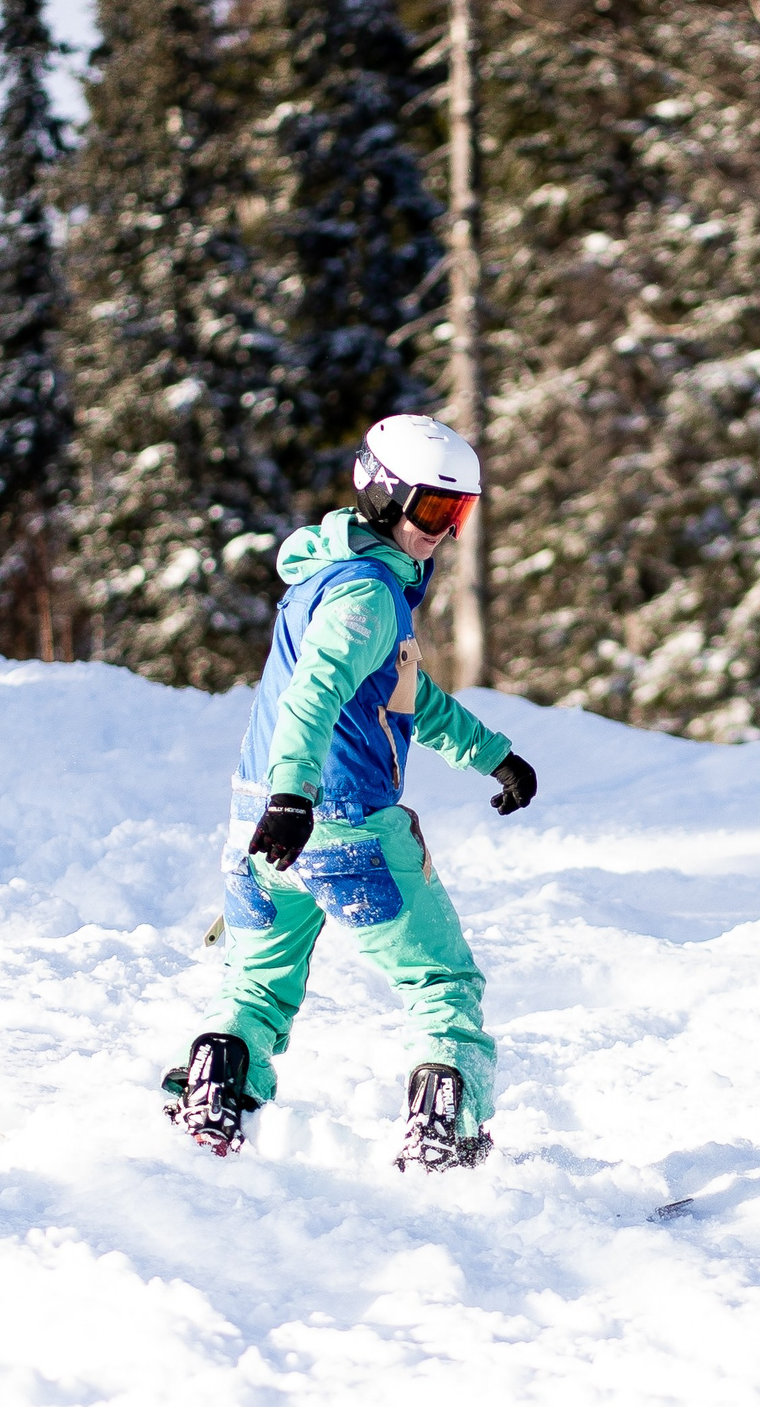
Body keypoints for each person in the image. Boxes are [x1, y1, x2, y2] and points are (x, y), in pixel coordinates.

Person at [162, 414, 538, 1169]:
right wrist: (296, 795)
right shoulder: (366, 598)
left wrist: (493, 754)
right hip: (336, 826)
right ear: (381, 492)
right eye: (431, 509)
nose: (443, 531)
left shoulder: (332, 577)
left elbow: (407, 694)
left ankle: (214, 1094)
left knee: (257, 982)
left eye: (457, 512)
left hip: (257, 828)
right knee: (441, 980)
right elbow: (313, 695)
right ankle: (445, 1127)